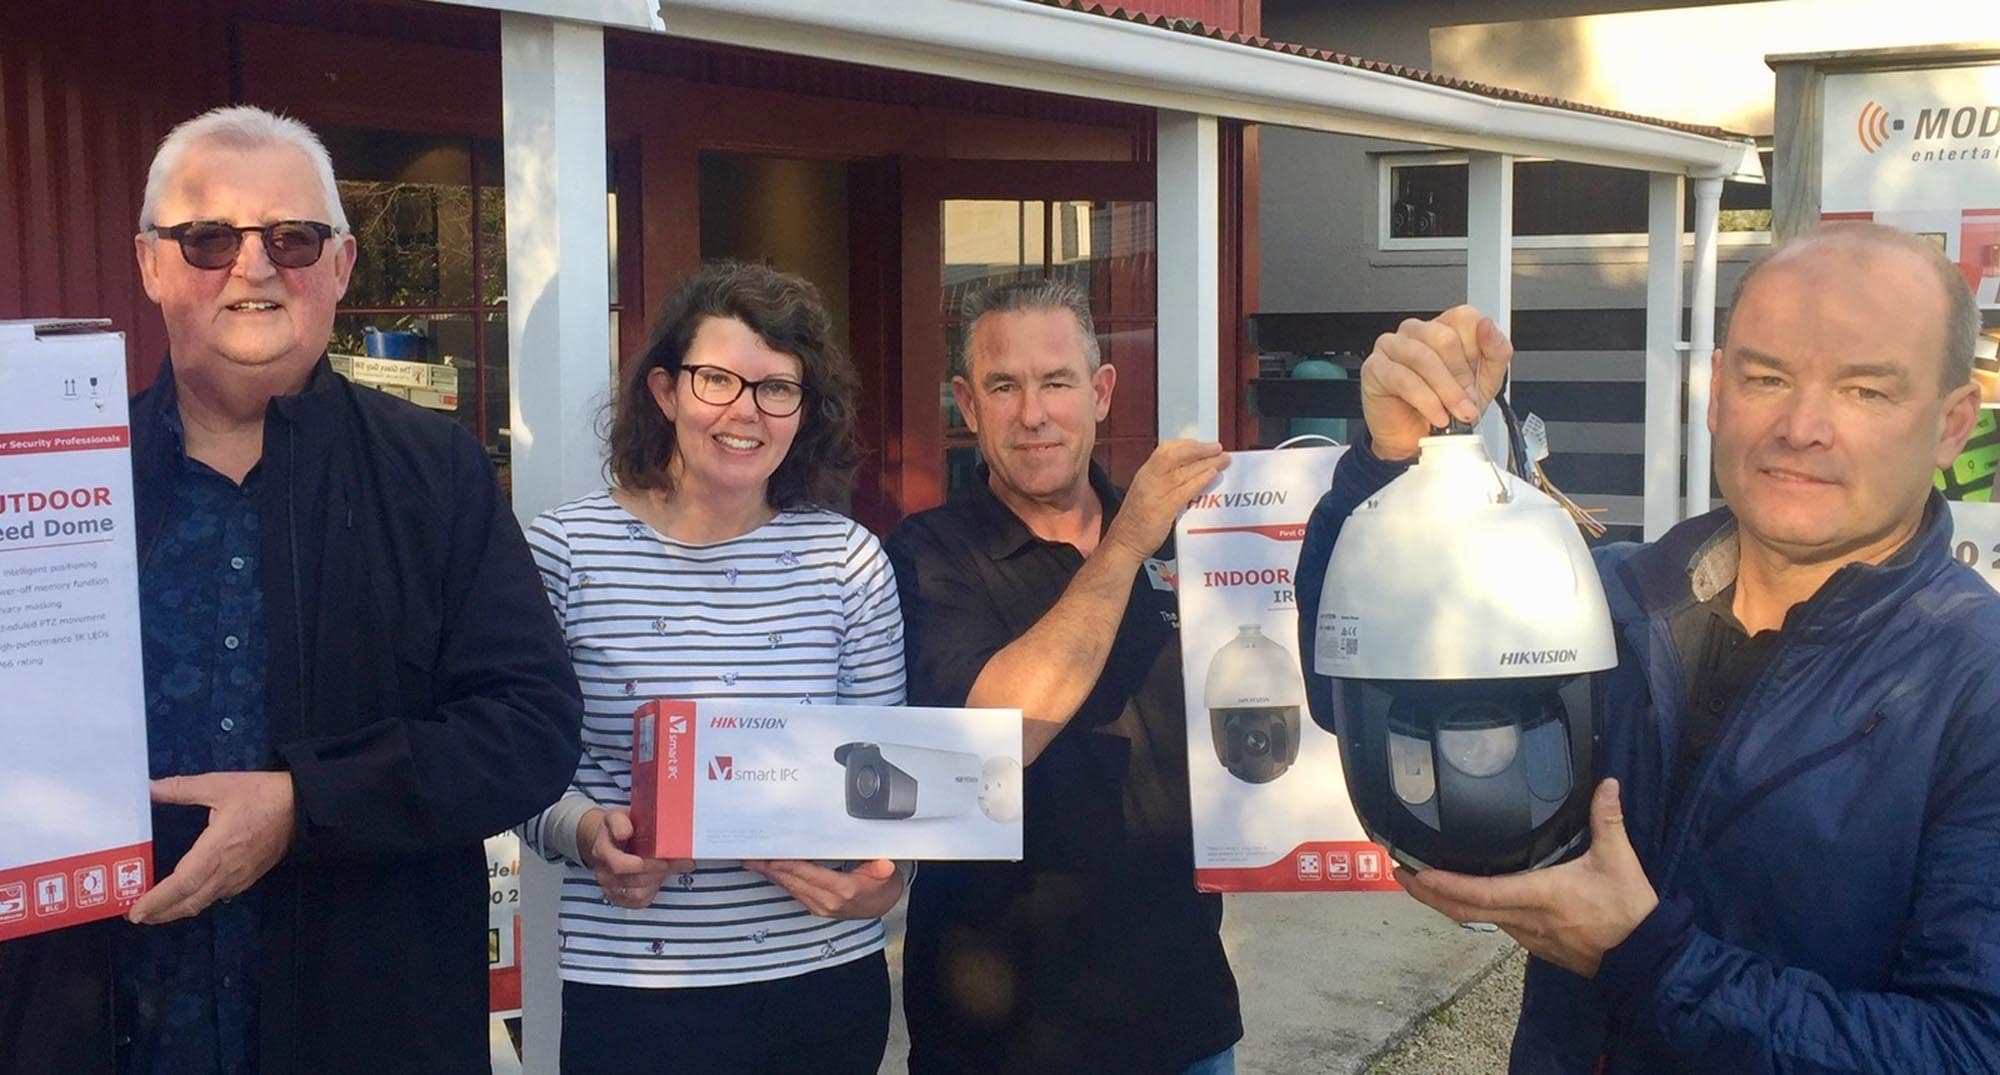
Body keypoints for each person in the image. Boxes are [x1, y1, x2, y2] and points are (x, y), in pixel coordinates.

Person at [1295, 221, 2000, 1072]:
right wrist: (1389, 468)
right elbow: (1359, 695)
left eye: (1865, 391)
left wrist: (1649, 958)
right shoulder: (1612, 600)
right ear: (1715, 394)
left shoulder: (1976, 687)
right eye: (1767, 377)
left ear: (1954, 424)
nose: (1803, 425)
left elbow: (1968, 1046)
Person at [0, 106, 584, 1073]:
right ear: (151, 264)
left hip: (366, 1022)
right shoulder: (42, 475)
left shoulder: (434, 475)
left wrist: (304, 804)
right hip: (97, 1020)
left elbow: (531, 728)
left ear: (342, 265)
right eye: (207, 238)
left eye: (293, 237)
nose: (253, 267)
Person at [518, 261, 908, 1073]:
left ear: (805, 410)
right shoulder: (562, 553)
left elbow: (887, 780)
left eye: (777, 388)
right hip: (635, 992)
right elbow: (514, 768)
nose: (746, 411)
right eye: (717, 379)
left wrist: (887, 877)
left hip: (823, 979)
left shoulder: (848, 561)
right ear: (664, 391)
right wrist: (585, 832)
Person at [887, 277, 1243, 1074]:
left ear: (1101, 391)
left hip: (1182, 1015)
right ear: (966, 404)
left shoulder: (1199, 546)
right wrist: (1128, 544)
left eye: (1056, 382)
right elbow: (995, 739)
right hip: (1002, 1034)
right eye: (1003, 386)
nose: (1033, 413)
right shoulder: (927, 555)